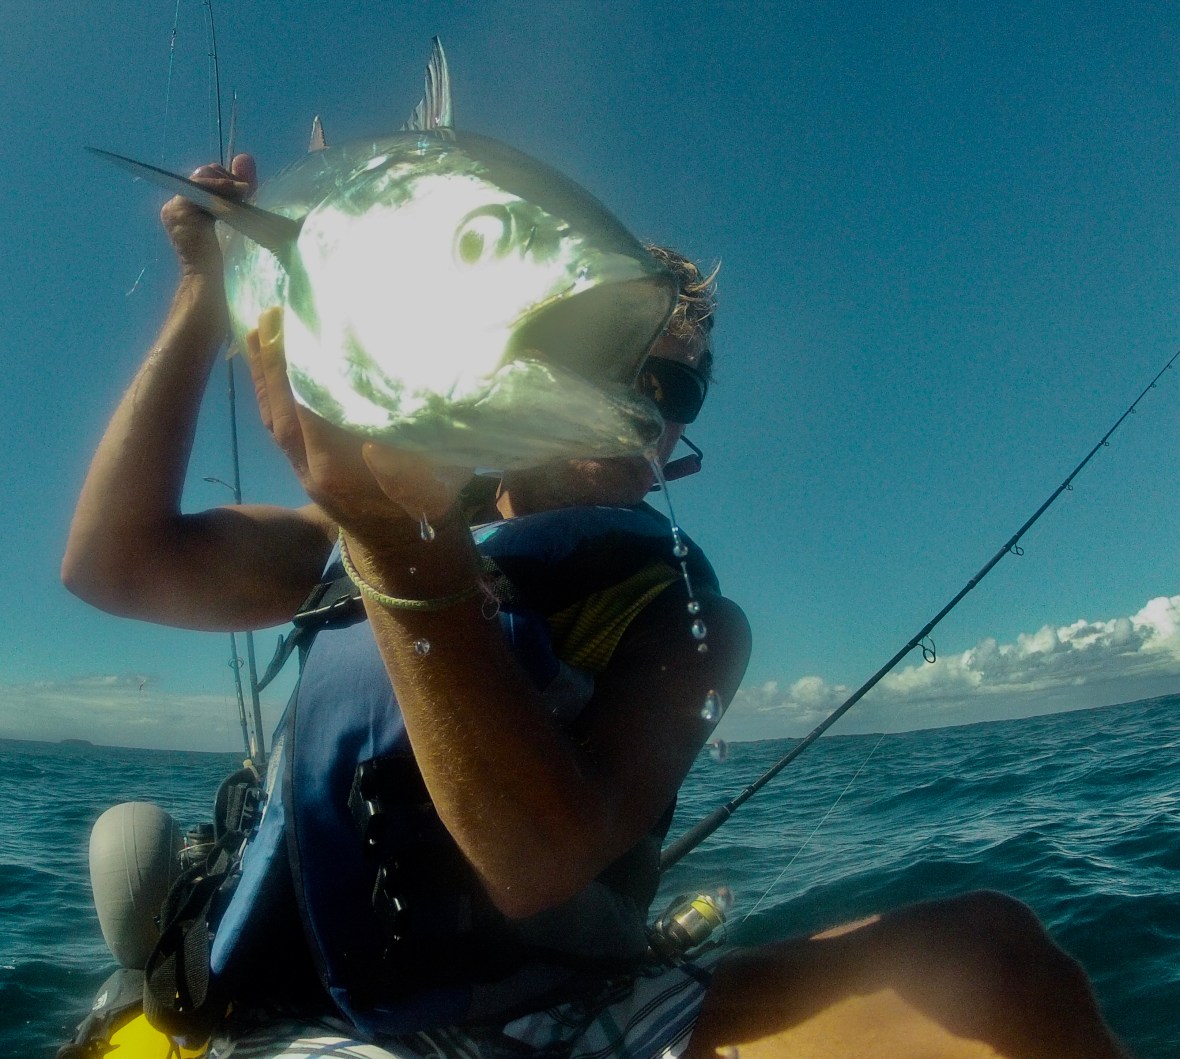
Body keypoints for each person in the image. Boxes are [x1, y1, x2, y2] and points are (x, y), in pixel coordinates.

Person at [63, 154, 1129, 1059]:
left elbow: (536, 866)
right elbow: (116, 563)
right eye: (606, 357)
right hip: (314, 1020)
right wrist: (206, 298)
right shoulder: (342, 529)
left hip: (561, 1011)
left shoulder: (683, 622)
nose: (637, 406)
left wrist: (399, 546)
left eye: (675, 391)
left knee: (994, 947)